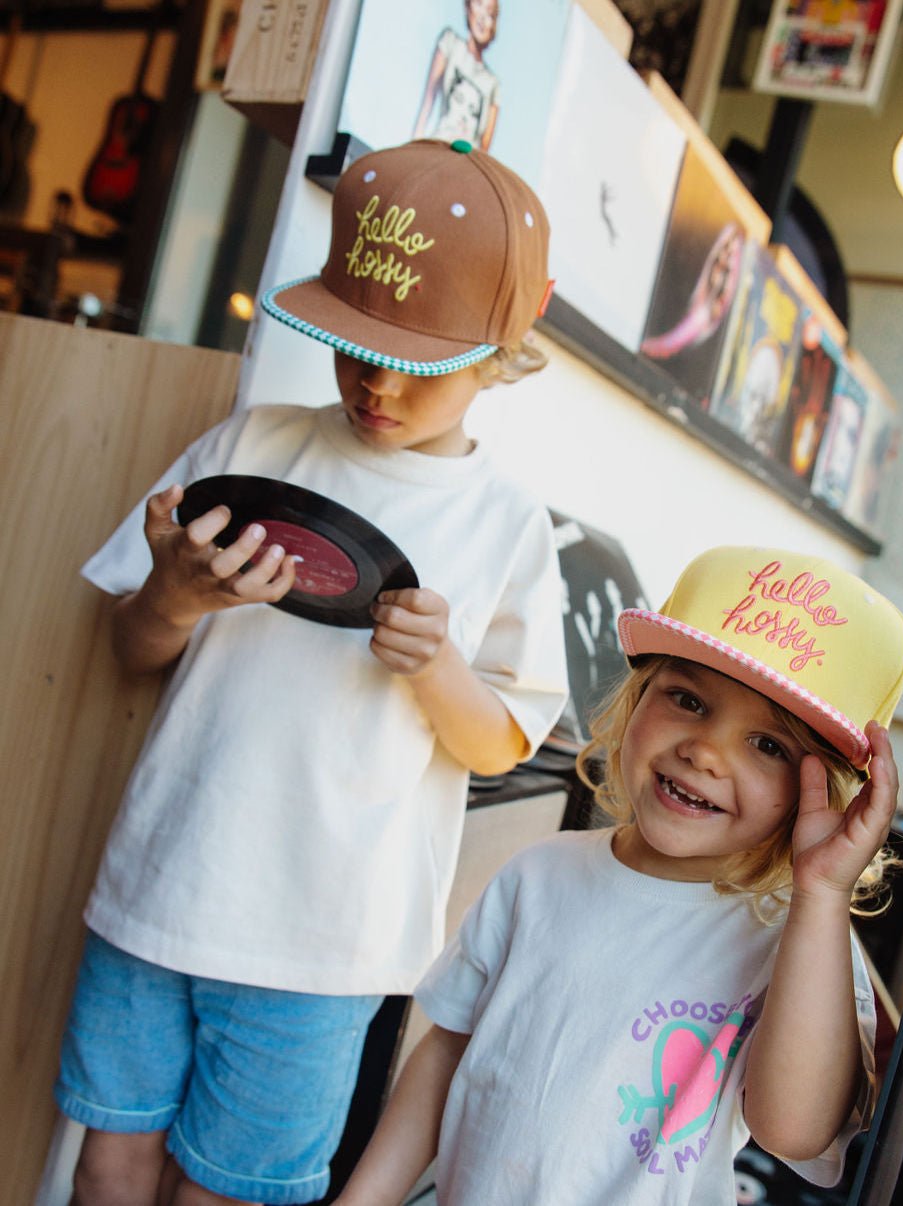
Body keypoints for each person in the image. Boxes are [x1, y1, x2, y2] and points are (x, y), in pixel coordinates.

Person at [54, 137, 568, 1206]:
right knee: (107, 1160)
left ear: (506, 346)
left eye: (414, 360)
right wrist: (175, 596)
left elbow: (498, 744)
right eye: (350, 346)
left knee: (227, 1191)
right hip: (162, 880)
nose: (376, 382)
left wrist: (437, 672)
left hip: (322, 940)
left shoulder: (508, 525)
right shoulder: (254, 440)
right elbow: (128, 653)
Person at [332, 544, 903, 1205]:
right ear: (635, 700)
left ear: (825, 796)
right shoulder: (539, 875)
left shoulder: (796, 940)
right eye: (687, 699)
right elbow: (444, 1056)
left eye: (769, 745)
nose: (704, 750)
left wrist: (823, 892)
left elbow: (795, 1131)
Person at [413, 0, 501, 151]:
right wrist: (413, 145)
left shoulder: (492, 83)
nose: (482, 17)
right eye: (478, 4)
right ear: (468, 7)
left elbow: (485, 147)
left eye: (489, 13)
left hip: (466, 165)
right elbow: (428, 99)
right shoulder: (450, 43)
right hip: (438, 147)